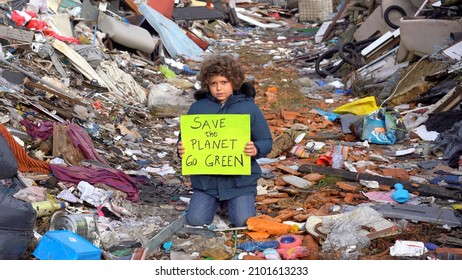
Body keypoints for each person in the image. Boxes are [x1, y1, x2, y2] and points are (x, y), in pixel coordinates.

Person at [177, 54, 273, 227]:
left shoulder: (248, 107)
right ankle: (218, 202)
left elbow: (266, 140)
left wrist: (256, 149)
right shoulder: (198, 108)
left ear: (234, 82)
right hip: (207, 183)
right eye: (213, 84)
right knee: (196, 220)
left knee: (242, 221)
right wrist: (181, 149)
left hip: (240, 182)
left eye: (223, 82)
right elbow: (183, 140)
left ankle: (235, 201)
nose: (218, 88)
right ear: (207, 84)